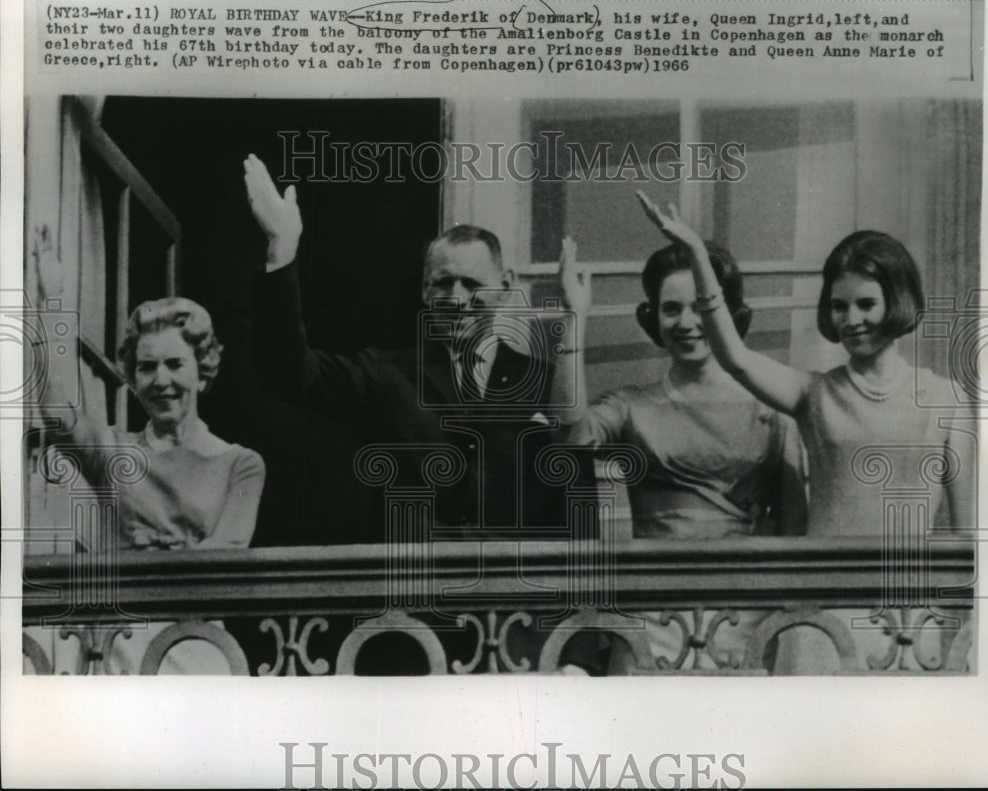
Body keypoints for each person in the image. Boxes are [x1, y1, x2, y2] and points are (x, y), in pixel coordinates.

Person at [243, 154, 601, 673]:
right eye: (442, 284)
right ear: (424, 291)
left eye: (472, 285)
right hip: (407, 638)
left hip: (515, 639)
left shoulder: (547, 385)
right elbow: (286, 373)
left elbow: (576, 517)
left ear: (506, 286)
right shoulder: (386, 374)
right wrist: (283, 248)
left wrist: (577, 651)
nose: (455, 298)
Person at [635, 193, 975, 672]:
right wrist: (695, 253)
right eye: (839, 306)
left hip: (909, 620)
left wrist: (967, 637)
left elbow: (967, 536)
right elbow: (732, 353)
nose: (851, 319)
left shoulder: (946, 399)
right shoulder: (812, 394)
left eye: (865, 304)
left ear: (898, 301)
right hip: (821, 618)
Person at [561, 235, 808, 672]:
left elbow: (794, 530)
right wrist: (574, 317)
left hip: (743, 613)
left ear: (729, 315)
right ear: (653, 317)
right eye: (671, 309)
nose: (686, 322)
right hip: (650, 612)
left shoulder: (772, 415)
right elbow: (570, 438)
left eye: (700, 307)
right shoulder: (629, 405)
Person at [31, 226, 265, 672]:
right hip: (120, 644)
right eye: (146, 368)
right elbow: (59, 412)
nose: (161, 381)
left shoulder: (242, 464)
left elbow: (220, 562)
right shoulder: (114, 452)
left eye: (175, 364)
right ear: (133, 379)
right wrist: (52, 302)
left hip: (196, 645)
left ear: (203, 371)